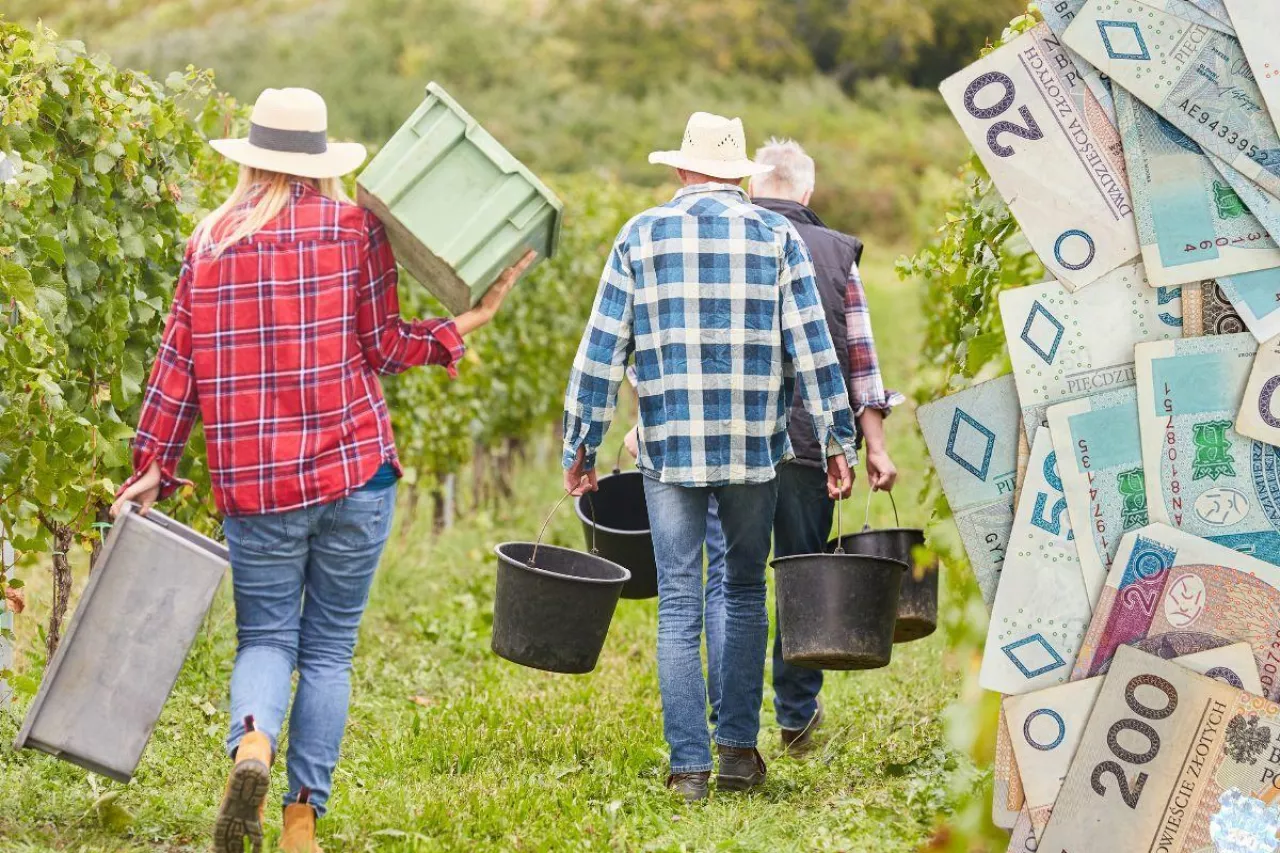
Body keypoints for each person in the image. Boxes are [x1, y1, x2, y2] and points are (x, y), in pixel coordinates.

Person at [110, 88, 534, 853]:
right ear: (319, 161)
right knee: (330, 648)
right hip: (353, 472)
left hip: (257, 485)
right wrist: (458, 330)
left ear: (252, 160)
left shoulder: (208, 243)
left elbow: (179, 367)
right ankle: (301, 819)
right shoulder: (353, 229)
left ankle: (252, 746)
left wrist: (154, 465)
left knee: (266, 639)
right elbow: (382, 344)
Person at [562, 112, 859, 802]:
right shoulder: (776, 234)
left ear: (681, 169)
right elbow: (813, 348)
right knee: (744, 590)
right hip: (756, 450)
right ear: (738, 175)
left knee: (678, 604)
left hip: (669, 448)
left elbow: (602, 351)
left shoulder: (641, 234)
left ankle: (688, 766)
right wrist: (838, 440)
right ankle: (736, 752)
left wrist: (581, 444)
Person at [705, 138, 903, 755]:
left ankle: (727, 720)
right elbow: (860, 360)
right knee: (801, 569)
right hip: (809, 440)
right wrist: (873, 445)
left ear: (750, 184)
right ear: (807, 192)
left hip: (729, 438)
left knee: (730, 580)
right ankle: (796, 716)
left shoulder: (719, 240)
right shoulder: (836, 252)